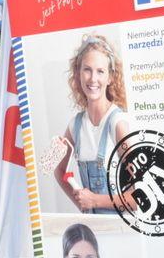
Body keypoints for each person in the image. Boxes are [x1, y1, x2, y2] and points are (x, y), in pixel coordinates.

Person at [54, 34, 130, 214]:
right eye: (87, 70)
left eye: (100, 71)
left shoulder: (118, 124)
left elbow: (141, 196)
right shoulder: (75, 126)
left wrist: (94, 200)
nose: (93, 78)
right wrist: (83, 205)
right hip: (92, 225)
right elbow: (59, 170)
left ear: (110, 77)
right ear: (78, 73)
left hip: (120, 227)